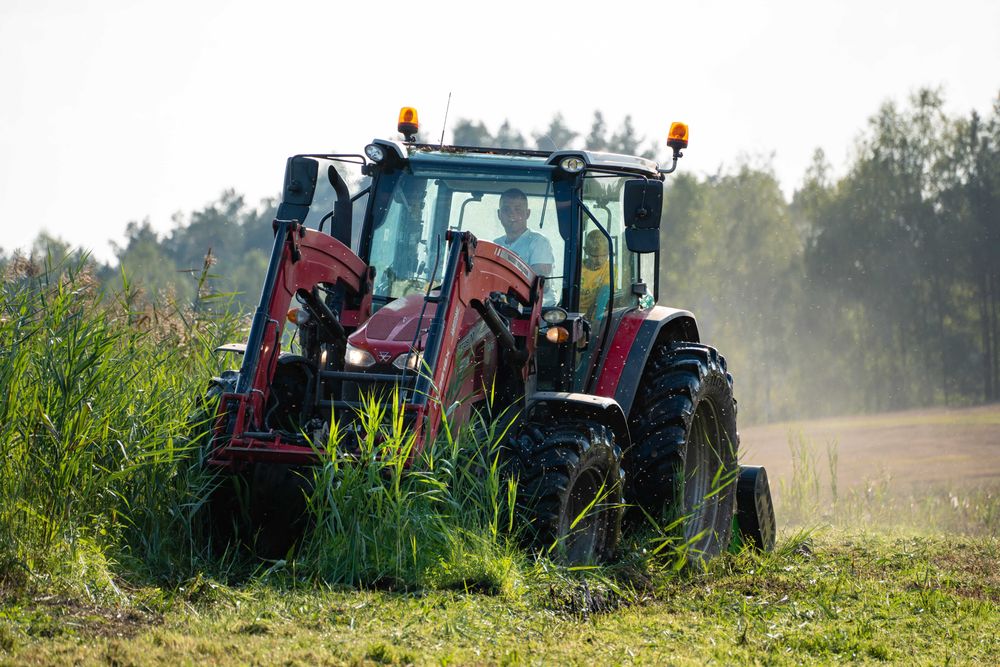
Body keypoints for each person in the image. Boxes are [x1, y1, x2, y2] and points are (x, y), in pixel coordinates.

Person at [493, 188, 554, 276]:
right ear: (499, 214)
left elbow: (541, 285)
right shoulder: (496, 244)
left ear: (527, 213)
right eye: (506, 209)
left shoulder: (539, 242)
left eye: (517, 210)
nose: (511, 214)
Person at [579, 229, 610, 319]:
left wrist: (598, 320)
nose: (599, 260)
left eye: (604, 255)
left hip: (596, 315)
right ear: (586, 251)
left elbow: (604, 293)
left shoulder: (609, 268)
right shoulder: (578, 268)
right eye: (595, 256)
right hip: (576, 314)